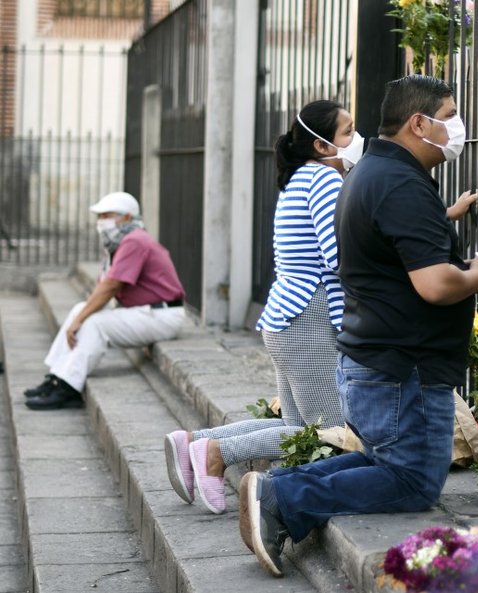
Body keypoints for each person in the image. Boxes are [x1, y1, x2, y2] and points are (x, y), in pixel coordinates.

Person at [238, 75, 478, 577]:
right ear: (418, 122)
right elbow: (433, 284)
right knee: (413, 481)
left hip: (379, 357)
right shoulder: (399, 182)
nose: (456, 126)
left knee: (390, 464)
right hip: (403, 364)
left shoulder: (375, 172)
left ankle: (279, 491)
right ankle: (283, 498)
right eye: (448, 116)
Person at [163, 100, 362, 515]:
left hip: (287, 317)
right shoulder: (325, 182)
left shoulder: (301, 179)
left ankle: (195, 442)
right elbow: (338, 255)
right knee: (326, 431)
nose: (357, 139)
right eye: (348, 132)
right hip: (310, 316)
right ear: (323, 146)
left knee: (294, 426)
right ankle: (216, 454)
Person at [23, 192, 186, 410]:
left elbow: (111, 286)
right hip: (146, 313)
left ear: (127, 218)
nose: (101, 221)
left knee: (94, 323)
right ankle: (56, 377)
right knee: (80, 309)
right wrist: (80, 316)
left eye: (107, 215)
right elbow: (106, 283)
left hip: (162, 316)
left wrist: (79, 320)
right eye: (100, 216)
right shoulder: (119, 242)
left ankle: (69, 388)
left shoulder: (135, 240)